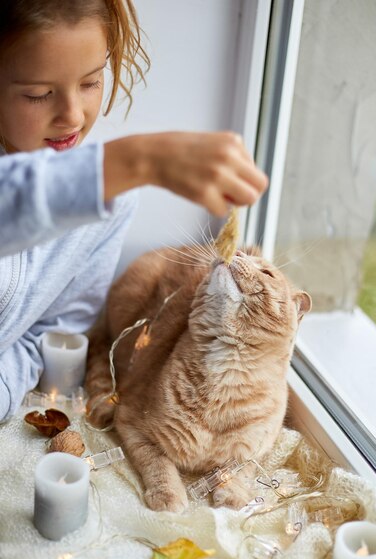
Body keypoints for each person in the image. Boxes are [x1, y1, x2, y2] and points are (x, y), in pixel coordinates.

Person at [0, 0, 268, 422]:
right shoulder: (107, 179)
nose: (72, 115)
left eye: (90, 82)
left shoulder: (109, 203)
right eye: (38, 94)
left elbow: (51, 335)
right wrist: (138, 160)